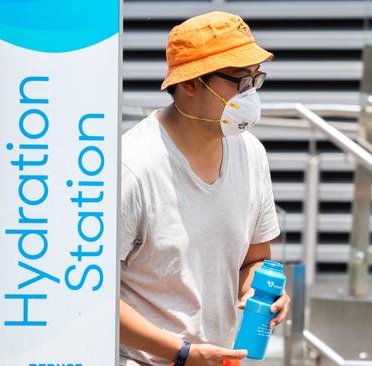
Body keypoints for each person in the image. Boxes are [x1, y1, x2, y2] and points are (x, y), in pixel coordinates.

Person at [119, 11, 291, 366]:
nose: (251, 95)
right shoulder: (132, 166)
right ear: (190, 83)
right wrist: (182, 353)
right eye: (240, 82)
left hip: (220, 359)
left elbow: (254, 259)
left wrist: (262, 292)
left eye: (256, 81)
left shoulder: (251, 153)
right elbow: (90, 294)